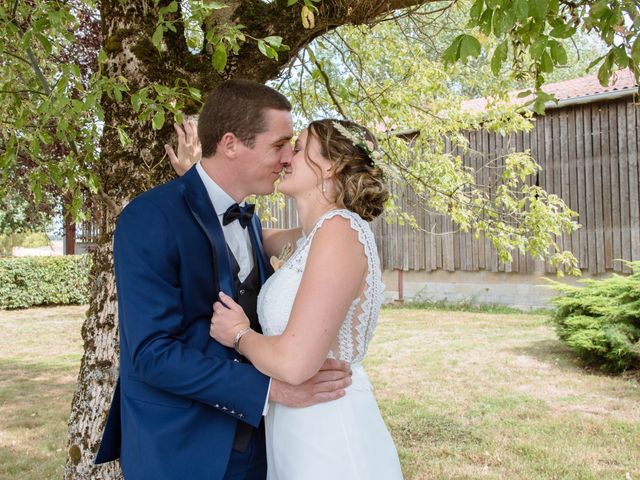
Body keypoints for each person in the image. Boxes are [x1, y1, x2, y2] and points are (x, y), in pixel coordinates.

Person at [94, 80, 352, 480]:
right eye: (279, 144)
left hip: (263, 444)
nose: (287, 158)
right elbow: (151, 354)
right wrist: (272, 392)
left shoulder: (250, 220)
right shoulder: (149, 217)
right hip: (180, 449)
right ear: (231, 144)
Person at [172, 117, 403, 479]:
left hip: (328, 430)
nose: (285, 158)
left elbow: (295, 363)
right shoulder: (312, 236)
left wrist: (239, 335)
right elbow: (240, 234)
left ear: (331, 165)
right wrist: (202, 177)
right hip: (296, 428)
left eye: (297, 148)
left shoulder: (340, 231)